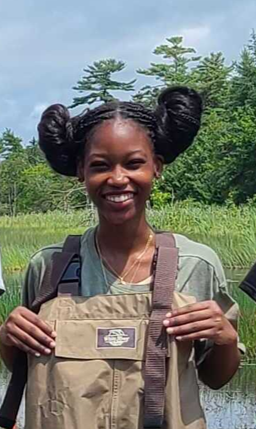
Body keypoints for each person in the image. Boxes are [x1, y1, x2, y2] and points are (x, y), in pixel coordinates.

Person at [0, 87, 242, 428]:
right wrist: (7, 338)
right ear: (81, 171)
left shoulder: (196, 264)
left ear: (156, 167)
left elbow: (216, 378)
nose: (117, 178)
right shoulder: (49, 267)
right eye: (100, 165)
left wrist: (226, 337)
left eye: (133, 163)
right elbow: (30, 368)